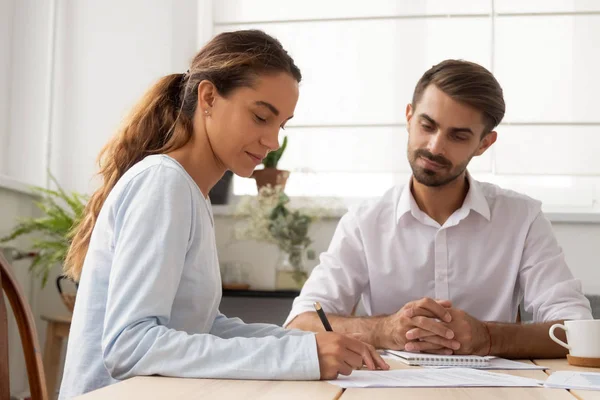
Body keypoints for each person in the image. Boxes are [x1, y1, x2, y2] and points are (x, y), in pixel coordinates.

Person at [58, 30, 388, 399]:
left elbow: (203, 327)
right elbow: (130, 345)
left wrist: (306, 341)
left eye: (281, 125)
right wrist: (299, 354)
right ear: (209, 97)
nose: (273, 141)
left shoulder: (189, 192)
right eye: (261, 117)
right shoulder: (163, 183)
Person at [285, 59, 592, 359]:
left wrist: (486, 337)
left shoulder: (522, 219)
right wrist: (384, 330)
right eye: (427, 125)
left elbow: (576, 330)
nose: (434, 146)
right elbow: (300, 324)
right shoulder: (364, 222)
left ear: (484, 143)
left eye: (458, 136)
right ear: (409, 116)